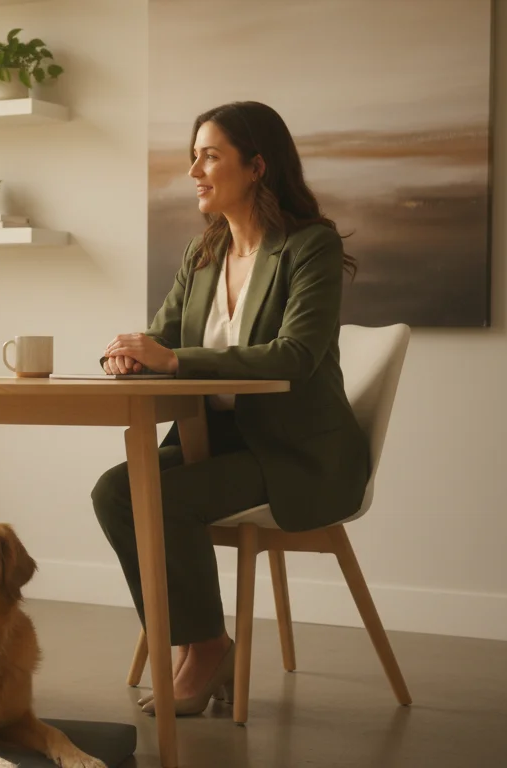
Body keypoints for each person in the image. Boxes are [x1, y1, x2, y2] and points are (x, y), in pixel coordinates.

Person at [91, 101, 370, 715]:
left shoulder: (309, 246)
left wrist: (175, 362)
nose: (194, 168)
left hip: (296, 452)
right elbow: (163, 338)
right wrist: (131, 354)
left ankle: (204, 651)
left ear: (257, 166)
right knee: (114, 492)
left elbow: (295, 355)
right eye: (194, 154)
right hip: (212, 441)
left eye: (210, 155)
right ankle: (205, 642)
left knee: (163, 500)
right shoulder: (202, 255)